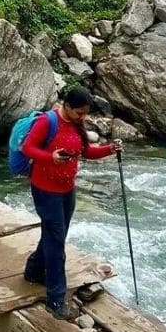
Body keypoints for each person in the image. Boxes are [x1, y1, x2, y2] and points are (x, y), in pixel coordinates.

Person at [19, 86, 119, 319]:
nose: (82, 117)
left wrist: (111, 149)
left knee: (56, 235)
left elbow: (87, 152)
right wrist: (50, 157)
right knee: (57, 244)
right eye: (79, 113)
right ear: (66, 106)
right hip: (45, 189)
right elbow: (28, 148)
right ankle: (55, 298)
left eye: (85, 114)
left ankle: (33, 271)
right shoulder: (47, 122)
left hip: (66, 189)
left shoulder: (76, 124)